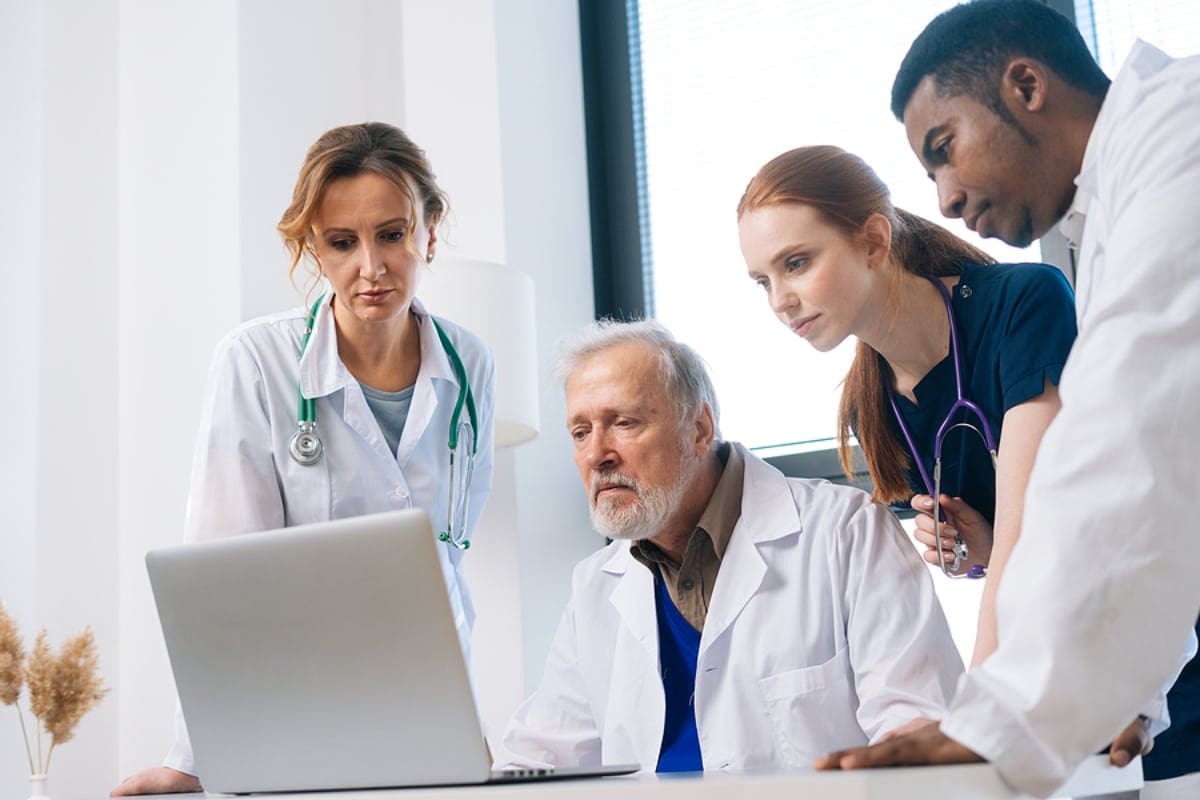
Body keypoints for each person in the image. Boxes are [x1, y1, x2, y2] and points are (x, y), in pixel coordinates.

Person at [815, 2, 1200, 797]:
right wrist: (1106, 691)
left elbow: (1132, 445)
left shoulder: (1180, 140)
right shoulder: (1115, 205)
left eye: (945, 150)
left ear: (1026, 85)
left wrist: (1015, 715)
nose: (947, 198)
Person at [110, 122, 496, 796]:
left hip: (434, 708)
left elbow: (449, 558)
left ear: (430, 230)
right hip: (296, 708)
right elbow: (221, 576)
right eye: (341, 243)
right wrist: (192, 759)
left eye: (393, 234)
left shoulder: (472, 367)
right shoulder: (255, 362)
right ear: (313, 249)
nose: (370, 268)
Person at [498, 319, 964, 772]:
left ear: (700, 429)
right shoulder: (595, 586)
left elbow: (917, 728)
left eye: (624, 422)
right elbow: (539, 758)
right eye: (580, 433)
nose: (598, 454)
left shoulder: (846, 532)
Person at [737, 144, 1074, 668]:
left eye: (796, 263)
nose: (780, 300)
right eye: (764, 281)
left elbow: (1030, 529)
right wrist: (975, 552)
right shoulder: (871, 407)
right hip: (1064, 645)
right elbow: (1005, 555)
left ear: (873, 242)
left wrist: (979, 712)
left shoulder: (1024, 304)